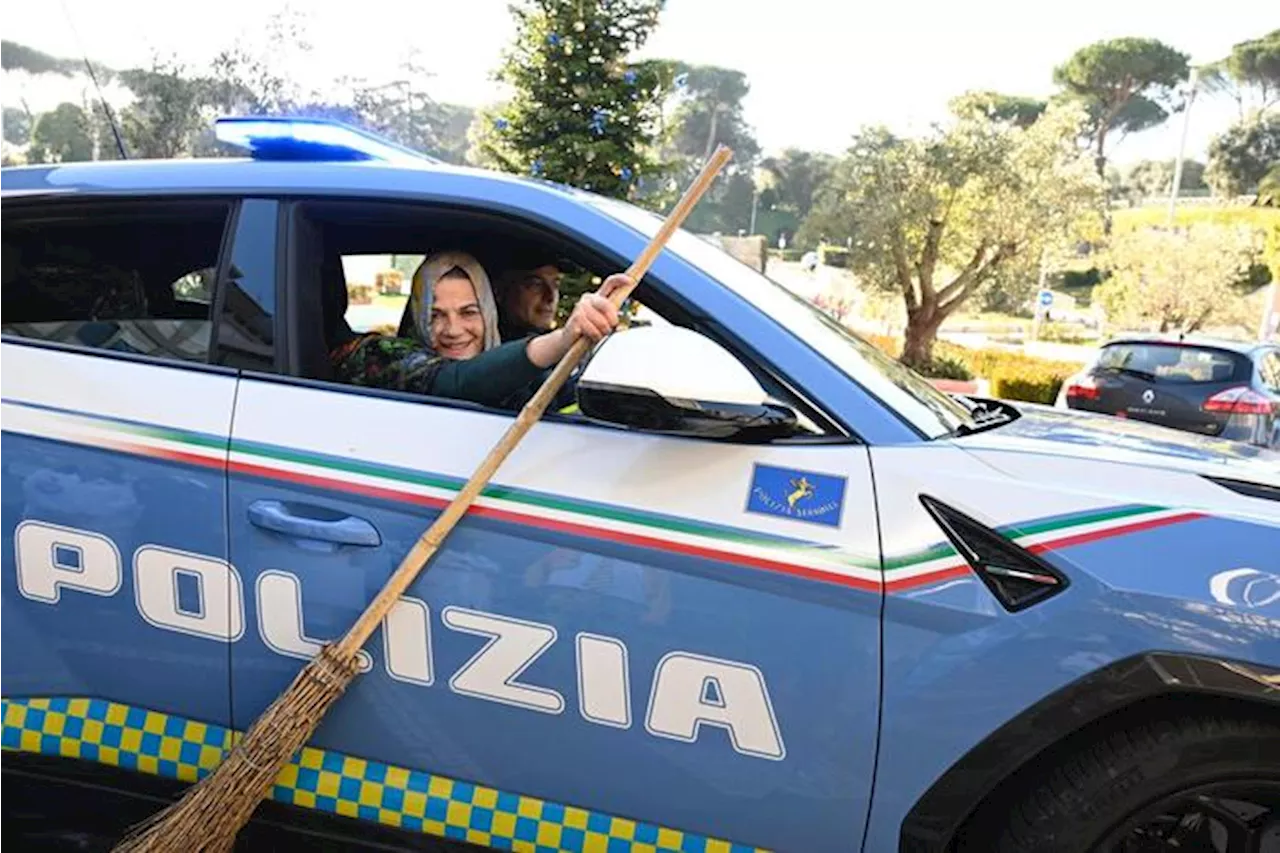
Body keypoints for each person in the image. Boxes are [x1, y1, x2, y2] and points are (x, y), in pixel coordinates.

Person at [326, 249, 625, 410]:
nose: (454, 330)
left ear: (489, 312)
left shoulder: (511, 374)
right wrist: (563, 338)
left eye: (469, 312)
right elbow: (457, 382)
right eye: (435, 316)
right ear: (417, 315)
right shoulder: (385, 359)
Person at [493, 252, 572, 342]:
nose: (550, 297)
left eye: (556, 285)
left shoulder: (558, 344)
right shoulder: (490, 347)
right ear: (499, 291)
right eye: (536, 285)